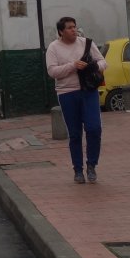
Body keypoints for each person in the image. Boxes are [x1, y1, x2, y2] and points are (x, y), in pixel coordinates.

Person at [46, 16, 107, 183]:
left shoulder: (86, 43)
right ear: (61, 31)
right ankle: (78, 170)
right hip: (67, 93)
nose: (73, 30)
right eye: (69, 28)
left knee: (94, 128)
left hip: (89, 91)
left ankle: (92, 165)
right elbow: (52, 71)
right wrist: (73, 66)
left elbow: (103, 62)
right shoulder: (53, 47)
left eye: (74, 26)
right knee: (74, 133)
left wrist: (93, 66)